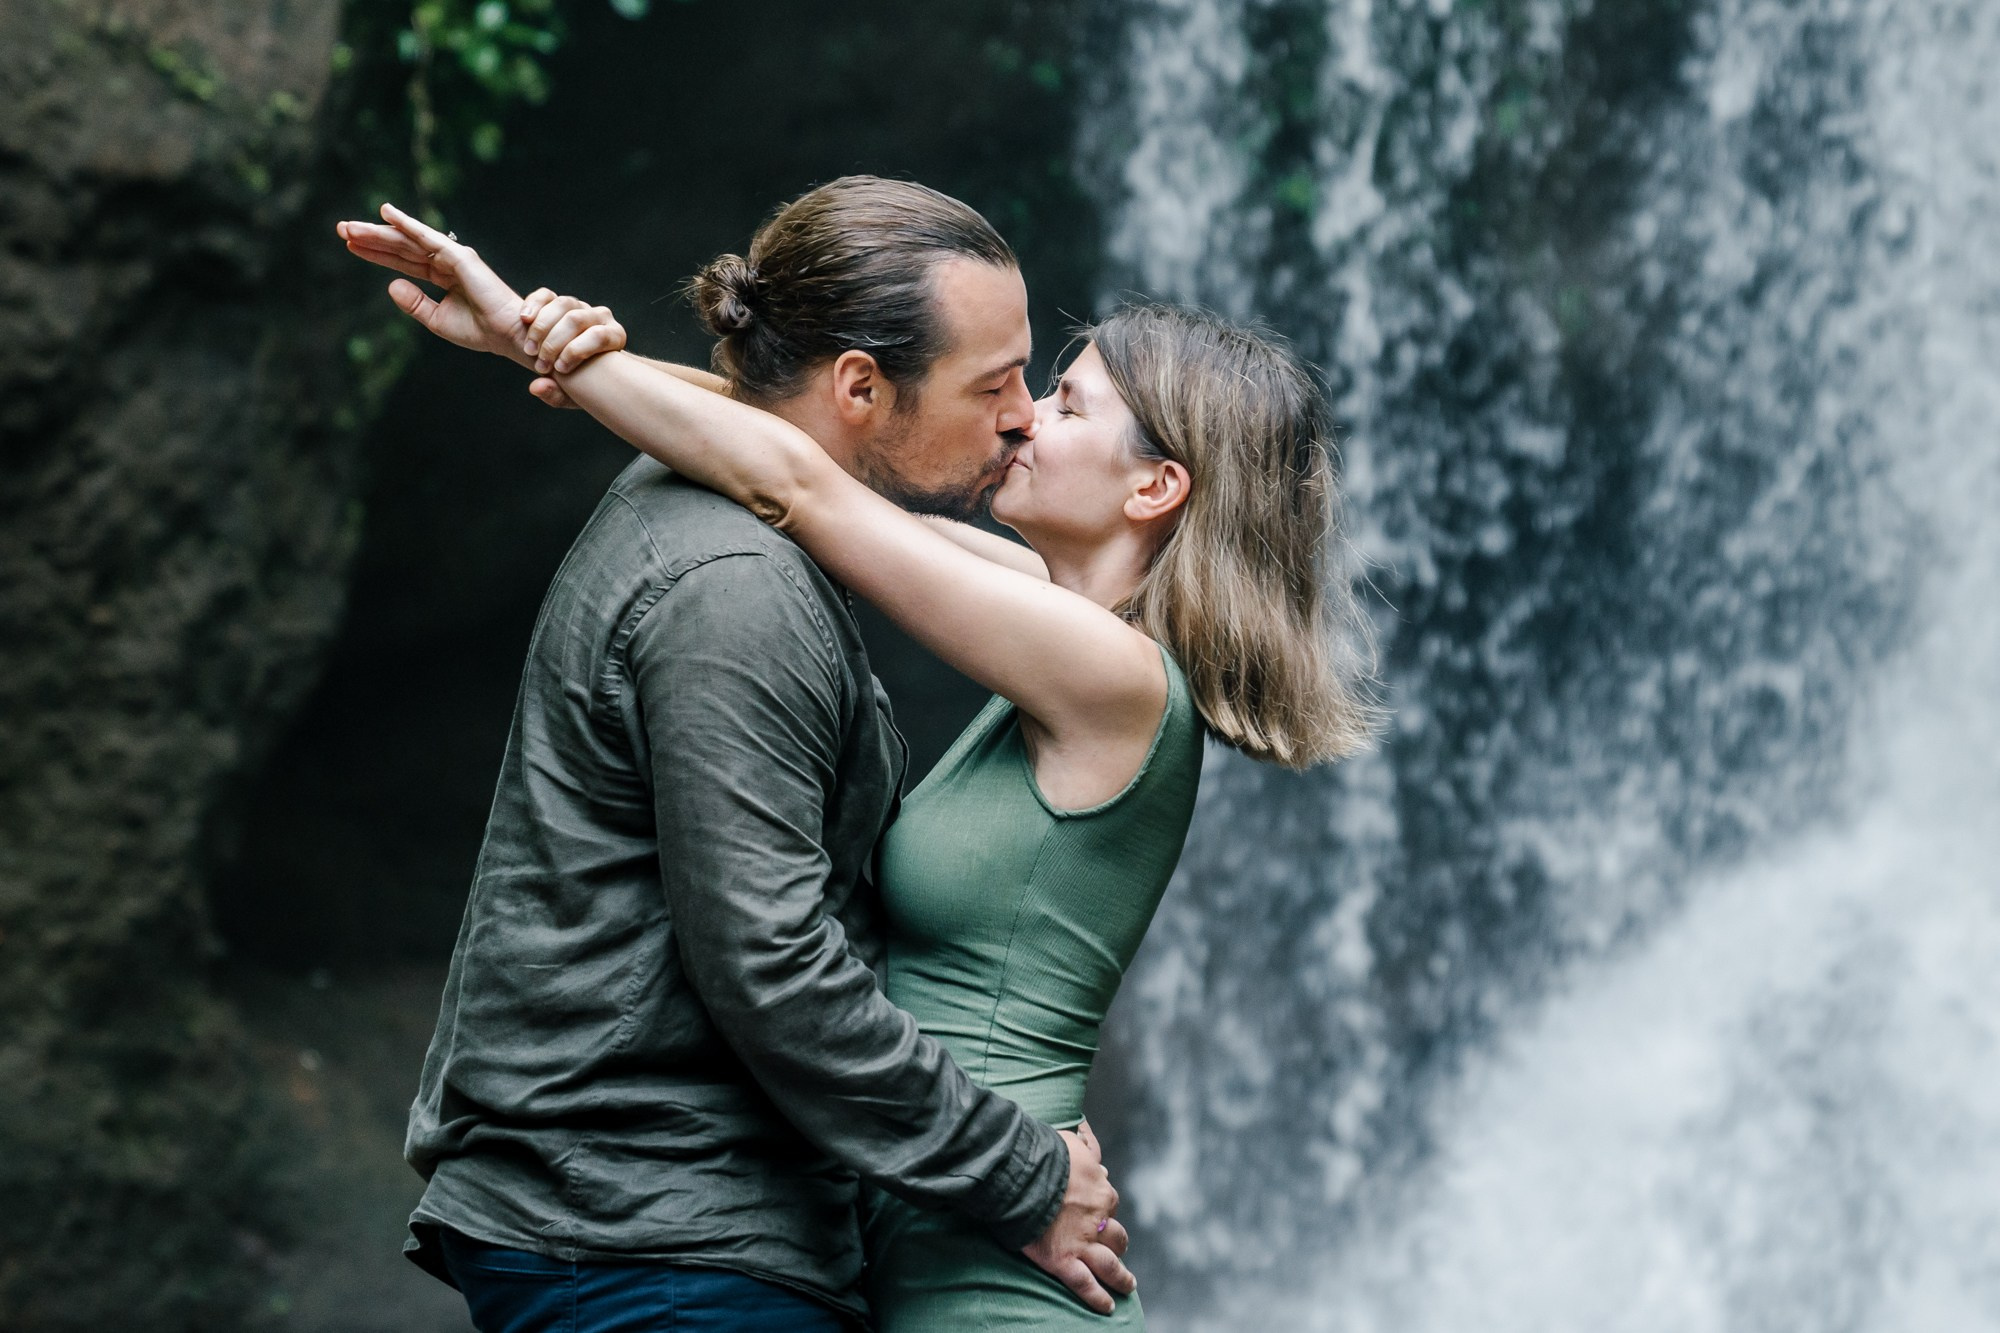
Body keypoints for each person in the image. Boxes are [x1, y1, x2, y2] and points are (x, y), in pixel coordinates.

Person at [340, 180, 1376, 1330]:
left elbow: (796, 484)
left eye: (1063, 404)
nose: (1023, 418)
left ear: (1155, 485)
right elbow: (798, 452)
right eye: (1015, 388)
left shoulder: (1111, 673)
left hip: (1001, 1260)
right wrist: (542, 344)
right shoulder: (1057, 614)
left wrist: (551, 349)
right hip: (946, 1211)